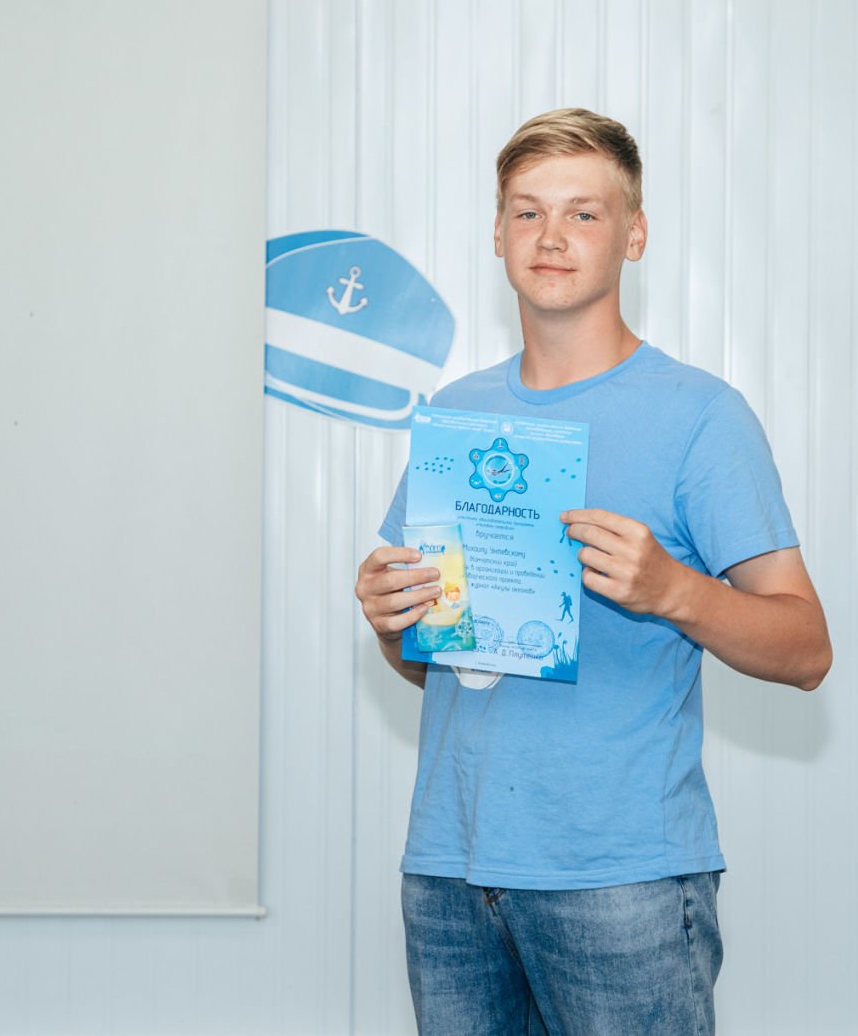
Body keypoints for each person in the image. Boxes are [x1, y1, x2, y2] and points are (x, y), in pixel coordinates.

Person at [353, 108, 831, 1034]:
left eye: (584, 212)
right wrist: (391, 621)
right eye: (527, 212)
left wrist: (674, 590)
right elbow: (434, 665)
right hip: (451, 873)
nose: (551, 236)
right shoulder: (458, 414)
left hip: (621, 880)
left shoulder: (702, 415)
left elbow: (807, 648)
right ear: (498, 234)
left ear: (634, 234)